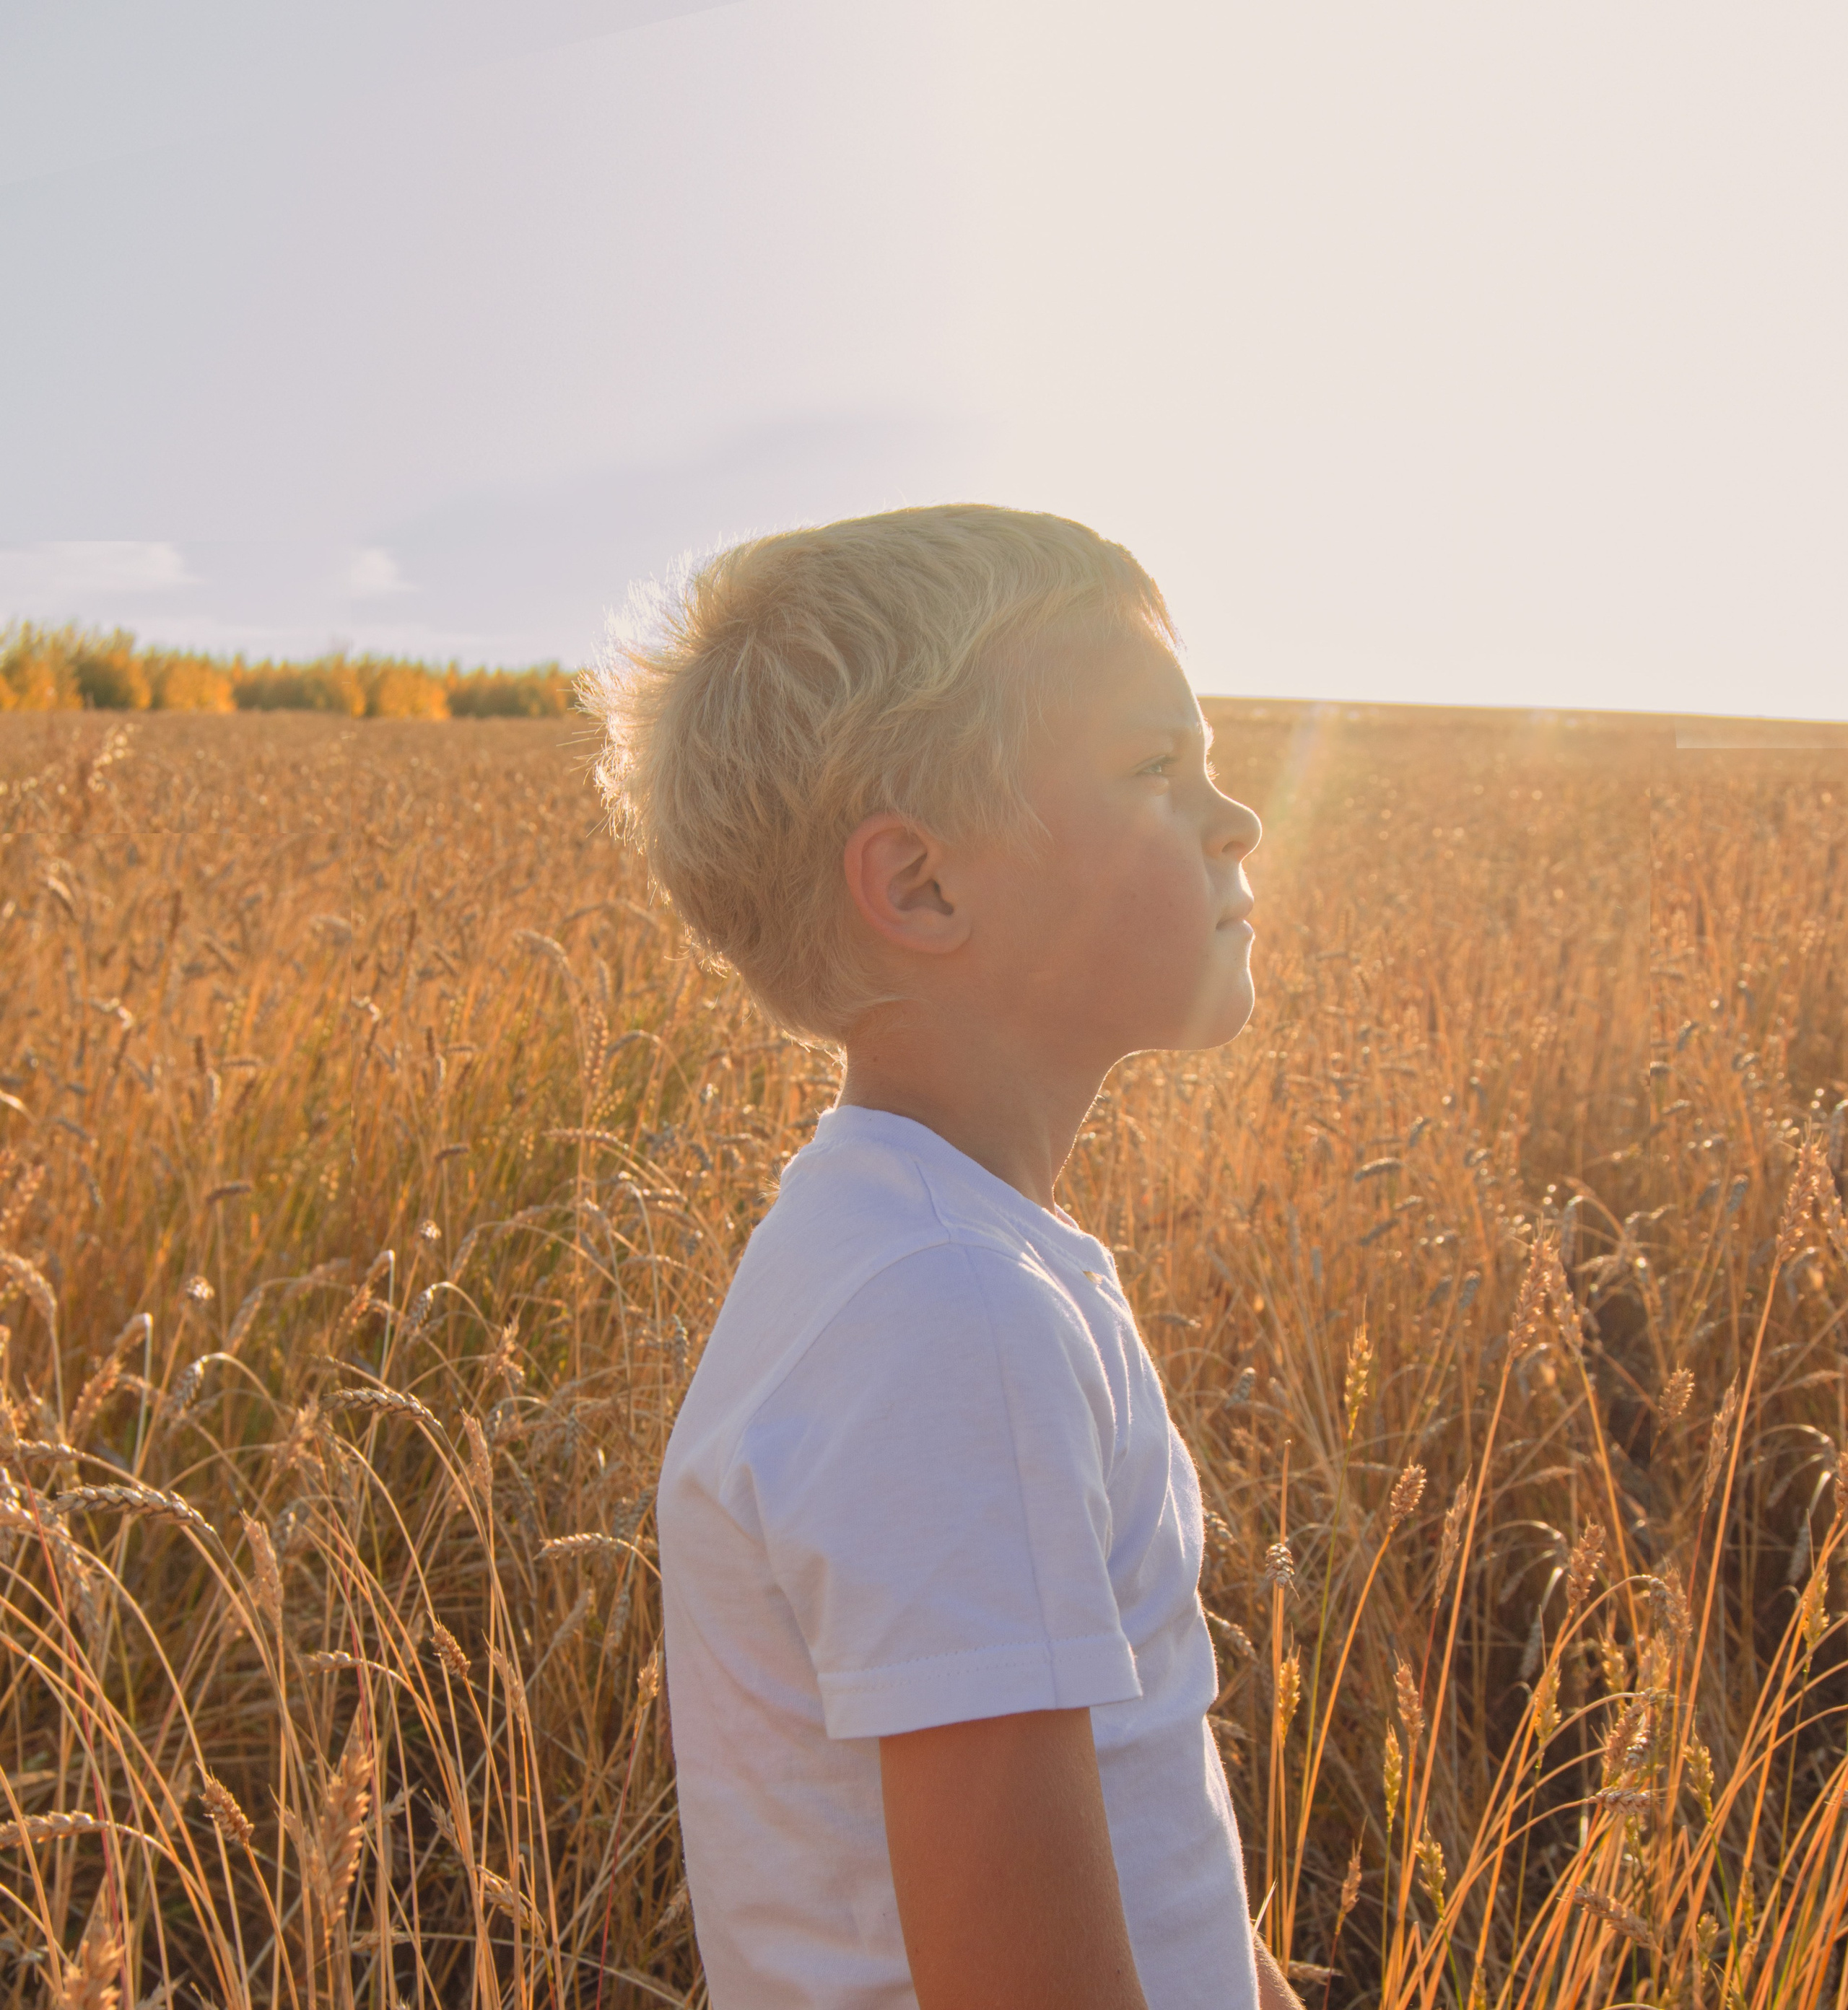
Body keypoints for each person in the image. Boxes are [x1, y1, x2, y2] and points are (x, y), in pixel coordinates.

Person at [587, 504, 1296, 2010]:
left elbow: (1139, 1803)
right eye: (1154, 770)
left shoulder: (952, 1262)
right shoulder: (944, 1315)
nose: (1232, 819)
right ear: (917, 886)